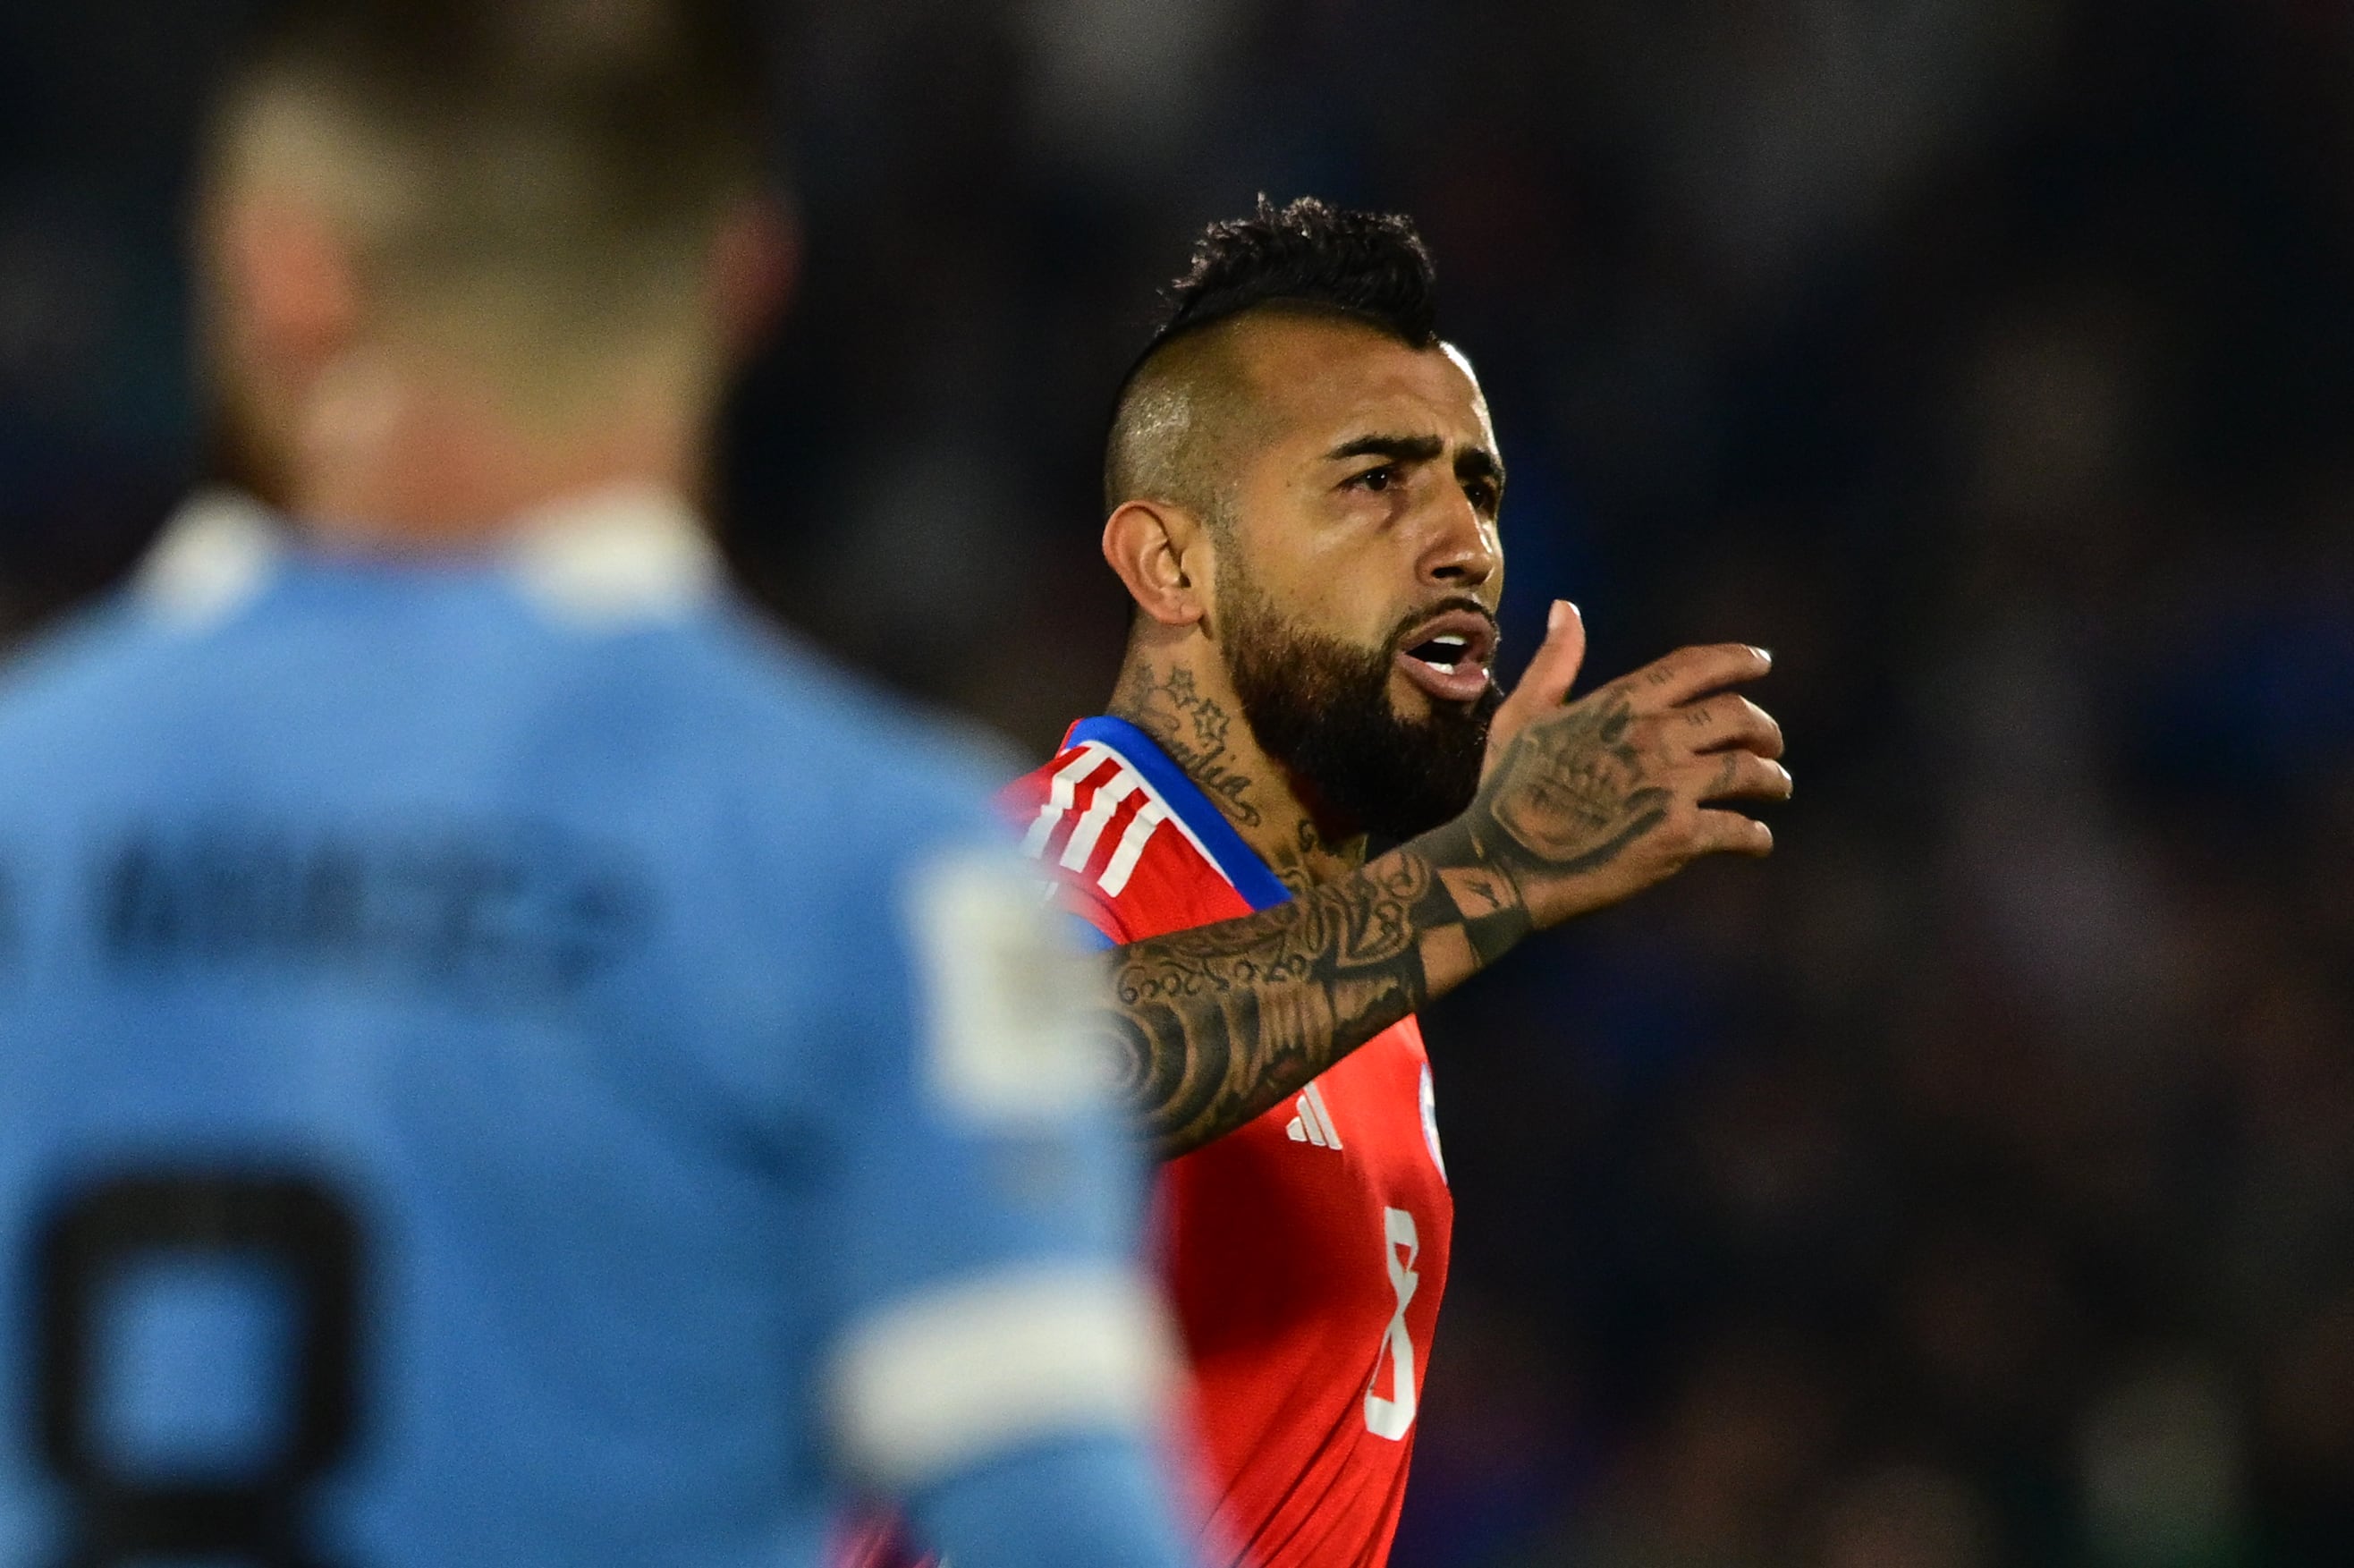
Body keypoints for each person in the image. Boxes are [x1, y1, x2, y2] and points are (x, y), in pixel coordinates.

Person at [0, 4, 1193, 1564]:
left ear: (275, 268)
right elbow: (1065, 1527)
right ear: (746, 275)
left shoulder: (29, 793)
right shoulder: (894, 876)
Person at [848, 199, 1791, 1567]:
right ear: (1172, 562)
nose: (1464, 541)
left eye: (1479, 488)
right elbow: (1018, 1076)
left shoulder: (1366, 998)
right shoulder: (1052, 860)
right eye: (1375, 481)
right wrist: (1487, 872)